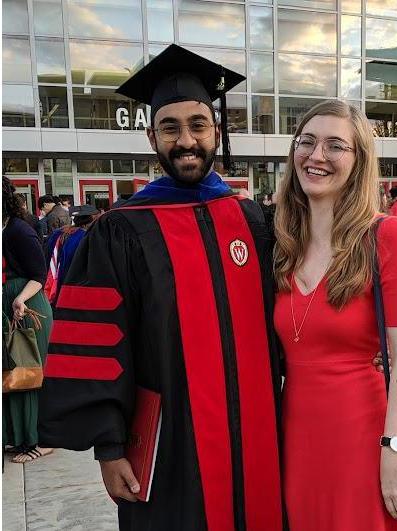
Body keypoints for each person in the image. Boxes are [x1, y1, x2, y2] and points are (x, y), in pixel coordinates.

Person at [38, 45, 285, 531]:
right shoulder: (121, 232)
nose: (186, 140)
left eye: (197, 125)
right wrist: (109, 449)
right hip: (170, 443)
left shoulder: (252, 221)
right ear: (152, 136)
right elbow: (99, 342)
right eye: (170, 128)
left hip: (258, 431)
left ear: (217, 131)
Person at [274, 99, 397, 531]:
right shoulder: (283, 244)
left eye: (335, 146)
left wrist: (395, 449)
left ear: (358, 162)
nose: (316, 155)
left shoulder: (387, 236)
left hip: (364, 435)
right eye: (307, 141)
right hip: (297, 437)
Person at [2, 177, 54, 463]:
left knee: (31, 373)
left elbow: (39, 273)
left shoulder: (19, 230)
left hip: (26, 304)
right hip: (10, 305)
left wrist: (20, 298)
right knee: (11, 374)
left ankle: (40, 440)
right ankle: (18, 436)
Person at [44, 205, 100, 306]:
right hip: (74, 287)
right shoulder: (85, 237)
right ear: (91, 220)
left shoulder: (58, 233)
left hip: (54, 284)